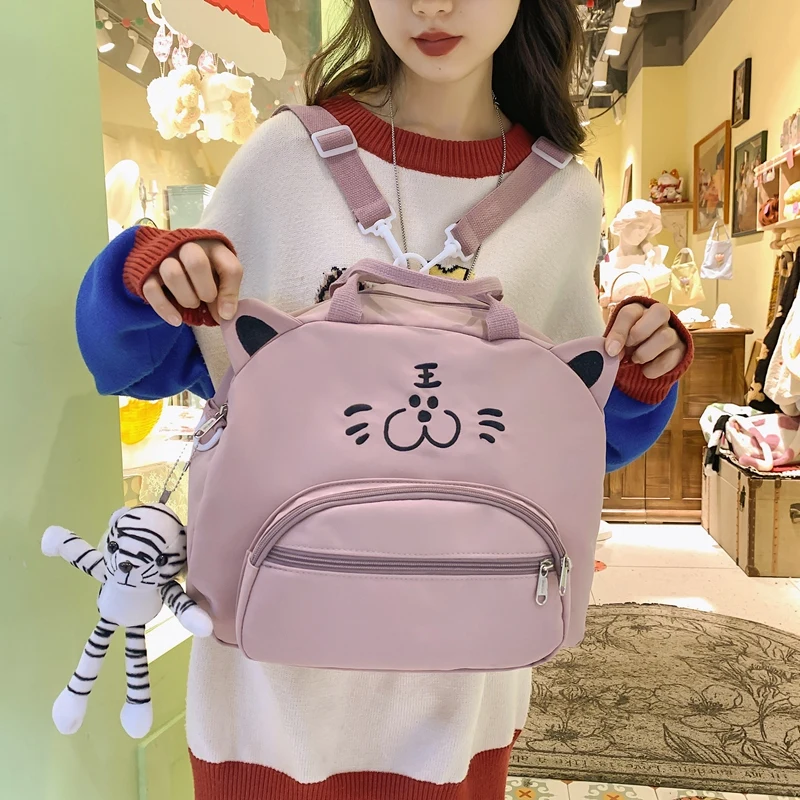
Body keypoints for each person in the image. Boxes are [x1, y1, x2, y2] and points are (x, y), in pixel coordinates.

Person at [77, 1, 692, 797]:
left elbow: (575, 442)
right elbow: (150, 365)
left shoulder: (565, 198)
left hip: (457, 681)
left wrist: (641, 372)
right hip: (273, 690)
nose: (431, 6)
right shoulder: (283, 158)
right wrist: (149, 272)